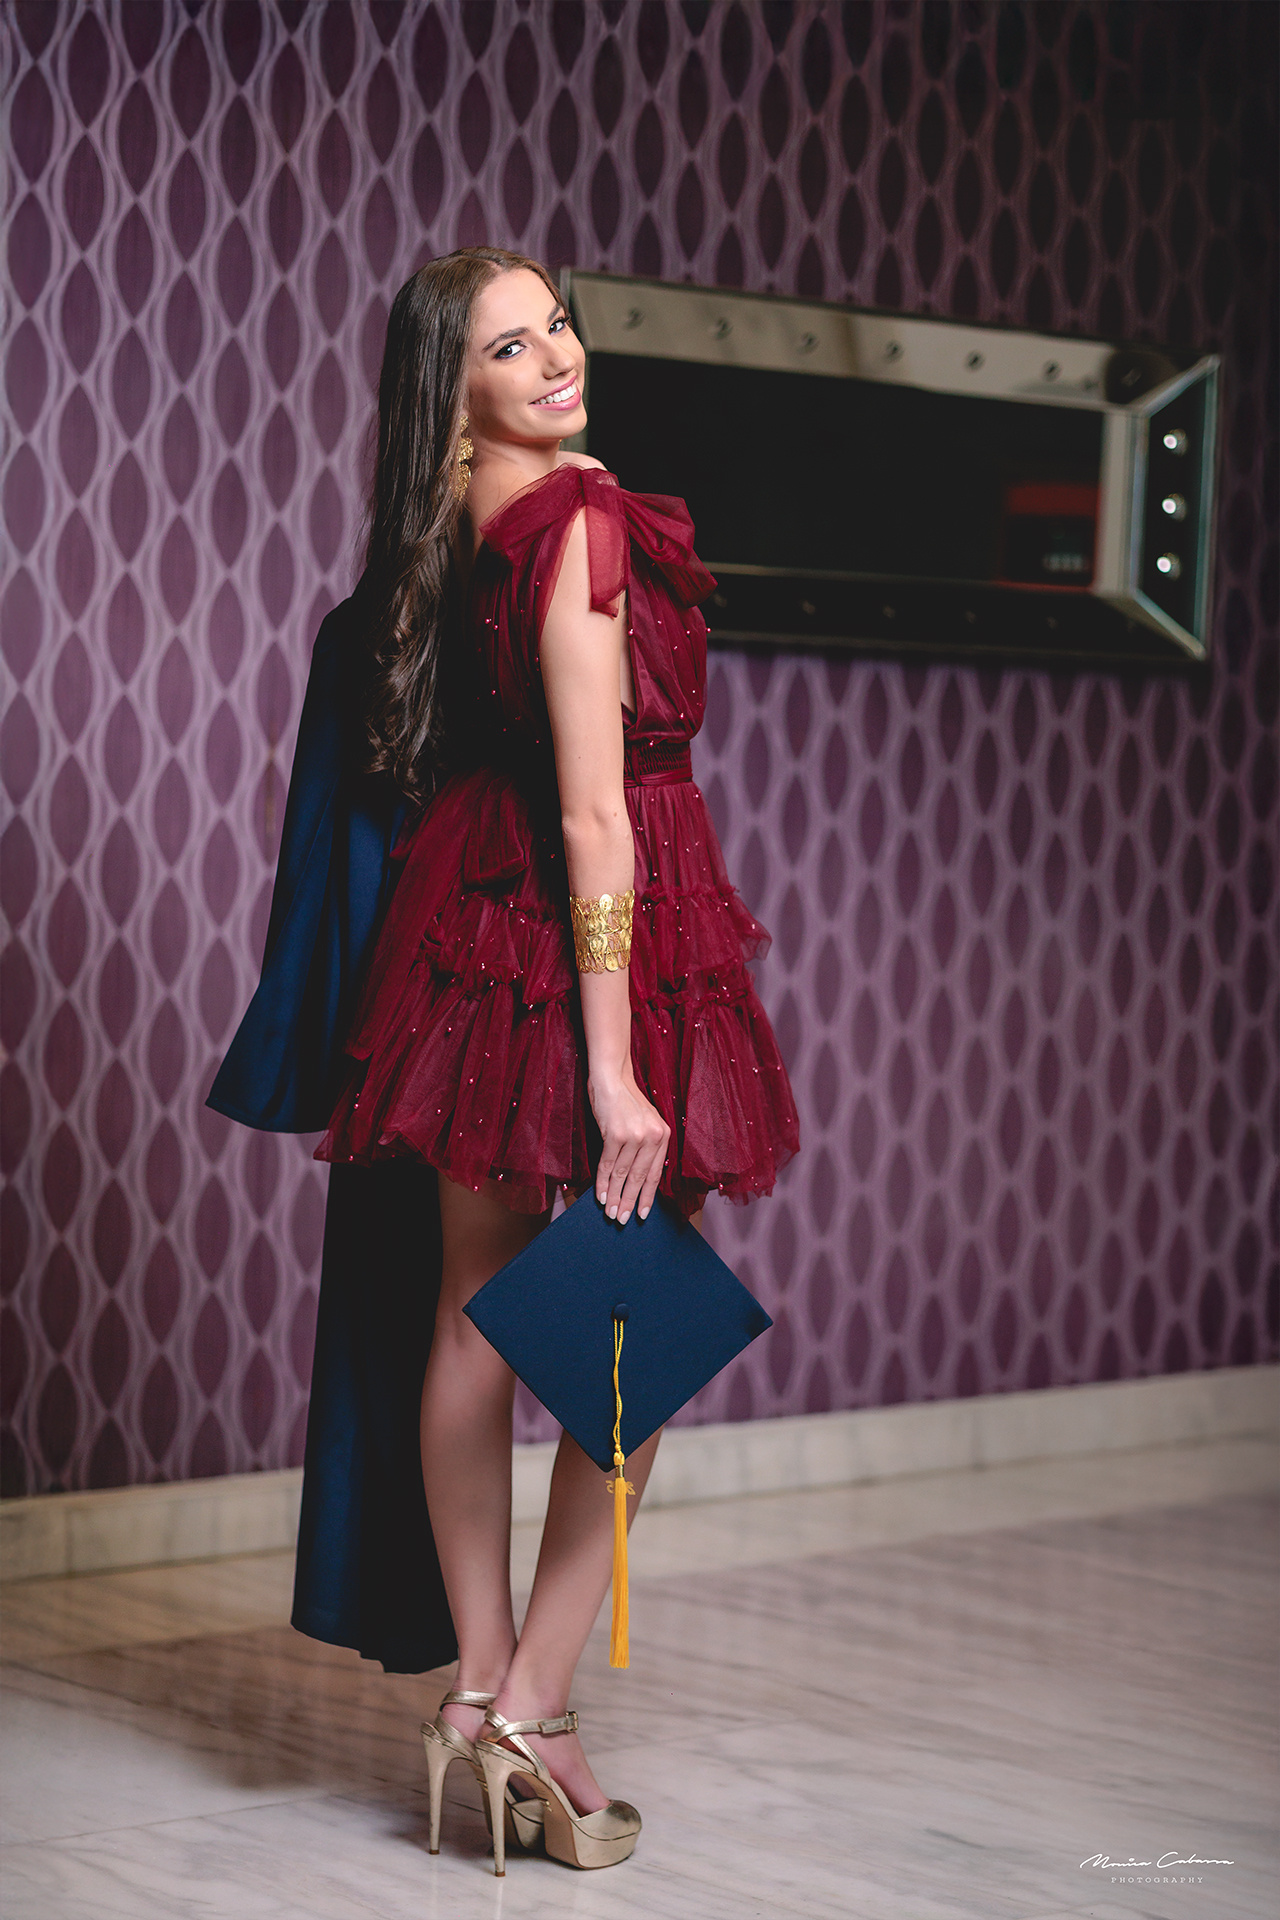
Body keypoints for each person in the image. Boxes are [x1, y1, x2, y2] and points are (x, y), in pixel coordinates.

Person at [240, 244, 800, 1871]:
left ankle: (481, 1683)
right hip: (591, 919)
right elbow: (596, 814)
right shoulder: (581, 523)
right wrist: (617, 1071)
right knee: (639, 1321)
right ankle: (533, 1708)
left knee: (472, 1310)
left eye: (559, 322)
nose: (558, 354)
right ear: (455, 389)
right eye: (511, 345)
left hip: (471, 913)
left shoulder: (466, 526)